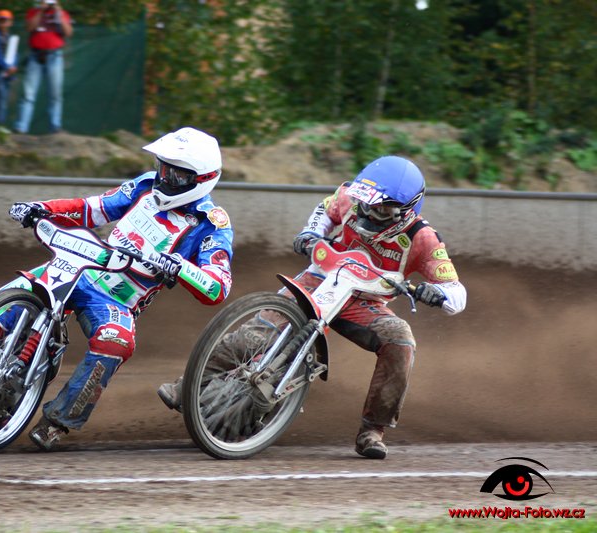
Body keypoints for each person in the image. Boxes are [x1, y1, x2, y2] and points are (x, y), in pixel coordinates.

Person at [0, 127, 234, 452]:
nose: (164, 177)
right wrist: (42, 208)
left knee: (116, 342)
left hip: (119, 298)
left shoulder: (212, 223)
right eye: (163, 167)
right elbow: (92, 208)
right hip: (81, 264)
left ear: (201, 180)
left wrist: (180, 266)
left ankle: (59, 421)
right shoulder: (145, 186)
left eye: (176, 174)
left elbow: (218, 286)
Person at [158, 155, 466, 459]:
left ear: (407, 210)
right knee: (257, 333)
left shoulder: (423, 238)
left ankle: (373, 430)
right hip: (318, 280)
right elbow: (324, 211)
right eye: (366, 202)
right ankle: (186, 387)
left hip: (365, 302)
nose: (370, 212)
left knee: (401, 340)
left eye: (382, 209)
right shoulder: (347, 196)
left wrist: (436, 293)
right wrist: (311, 233)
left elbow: (456, 293)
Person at [13, 0, 73, 134]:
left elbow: (68, 32)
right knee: (28, 94)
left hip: (55, 56)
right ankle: (21, 127)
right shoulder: (34, 12)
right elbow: (29, 28)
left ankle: (55, 127)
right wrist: (41, 10)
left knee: (55, 95)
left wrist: (58, 12)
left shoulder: (62, 13)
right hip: (35, 56)